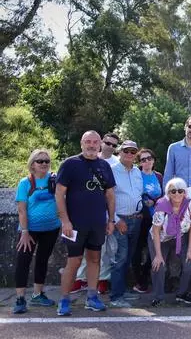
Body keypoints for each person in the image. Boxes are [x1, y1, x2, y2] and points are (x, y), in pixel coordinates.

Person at [55, 131, 116, 316]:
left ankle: (92, 297)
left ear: (100, 145)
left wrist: (111, 220)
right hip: (74, 224)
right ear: (82, 143)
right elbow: (59, 195)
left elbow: (110, 196)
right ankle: (64, 300)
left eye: (95, 142)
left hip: (97, 223)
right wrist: (65, 220)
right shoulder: (70, 164)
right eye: (88, 142)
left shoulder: (105, 166)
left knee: (95, 259)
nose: (91, 145)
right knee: (73, 262)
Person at [12, 149, 60, 314]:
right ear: (32, 164)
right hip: (29, 230)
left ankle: (38, 294)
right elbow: (22, 210)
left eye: (47, 161)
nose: (44, 164)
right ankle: (20, 298)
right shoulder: (25, 183)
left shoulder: (54, 180)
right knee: (23, 261)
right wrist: (24, 231)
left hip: (51, 228)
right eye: (40, 161)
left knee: (42, 260)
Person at [71, 131, 119, 294]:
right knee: (79, 252)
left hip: (103, 214)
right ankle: (80, 279)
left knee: (100, 252)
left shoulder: (115, 163)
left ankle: (102, 280)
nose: (110, 147)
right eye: (108, 143)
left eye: (114, 145)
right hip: (80, 215)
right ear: (101, 143)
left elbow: (112, 194)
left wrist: (112, 218)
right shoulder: (83, 159)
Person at [149, 177, 191, 307]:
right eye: (173, 191)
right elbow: (155, 231)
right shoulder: (162, 206)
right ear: (168, 193)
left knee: (190, 263)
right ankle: (159, 297)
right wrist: (158, 255)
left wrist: (189, 251)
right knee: (158, 265)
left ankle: (182, 294)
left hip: (180, 237)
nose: (177, 194)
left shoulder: (190, 204)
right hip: (160, 238)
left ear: (185, 192)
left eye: (180, 191)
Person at [109, 140, 144, 307]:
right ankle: (116, 296)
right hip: (120, 220)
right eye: (126, 151)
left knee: (128, 257)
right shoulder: (112, 171)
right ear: (120, 152)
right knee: (119, 258)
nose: (129, 154)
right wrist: (115, 220)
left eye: (133, 151)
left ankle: (122, 291)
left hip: (135, 219)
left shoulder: (137, 171)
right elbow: (106, 198)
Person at [132, 148, 163, 293]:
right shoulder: (136, 175)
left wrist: (155, 201)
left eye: (149, 158)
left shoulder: (159, 176)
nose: (147, 161)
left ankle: (145, 276)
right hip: (141, 217)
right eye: (143, 160)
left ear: (153, 160)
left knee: (154, 251)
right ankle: (139, 281)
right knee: (137, 249)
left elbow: (164, 197)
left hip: (156, 219)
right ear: (139, 163)